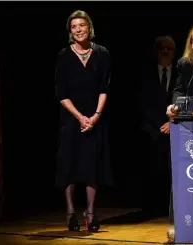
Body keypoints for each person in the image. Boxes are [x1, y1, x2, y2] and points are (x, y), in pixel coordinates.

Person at [55, 10, 113, 232]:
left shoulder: (102, 53)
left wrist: (95, 117)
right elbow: (61, 93)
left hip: (95, 118)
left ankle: (90, 213)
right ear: (70, 31)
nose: (78, 30)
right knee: (69, 164)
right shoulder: (63, 56)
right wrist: (80, 117)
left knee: (92, 167)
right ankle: (70, 212)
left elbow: (104, 88)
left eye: (82, 25)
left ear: (89, 27)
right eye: (74, 27)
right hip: (71, 119)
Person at [139, 36, 177, 217]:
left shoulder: (180, 74)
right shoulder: (145, 74)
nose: (165, 52)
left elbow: (183, 100)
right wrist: (158, 124)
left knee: (172, 169)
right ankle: (152, 207)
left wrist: (171, 123)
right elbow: (142, 103)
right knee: (152, 168)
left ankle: (172, 207)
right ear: (156, 51)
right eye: (161, 48)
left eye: (169, 49)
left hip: (175, 127)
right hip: (151, 128)